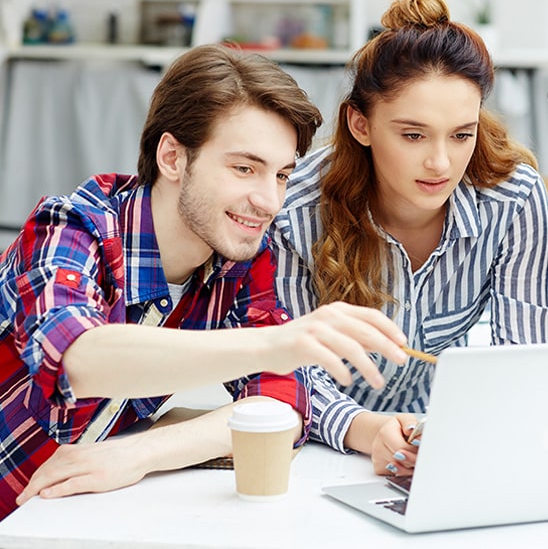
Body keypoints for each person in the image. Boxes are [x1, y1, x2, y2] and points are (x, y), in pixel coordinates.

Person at [0, 44, 409, 520]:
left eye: (281, 175)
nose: (269, 201)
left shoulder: (237, 258)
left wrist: (139, 454)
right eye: (244, 168)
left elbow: (283, 401)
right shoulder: (71, 227)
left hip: (54, 518)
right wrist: (275, 344)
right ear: (173, 157)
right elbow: (78, 359)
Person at [271, 0, 548, 477]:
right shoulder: (295, 209)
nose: (440, 163)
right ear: (361, 124)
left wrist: (462, 434)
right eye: (413, 135)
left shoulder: (514, 198)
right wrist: (368, 430)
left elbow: (520, 363)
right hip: (315, 448)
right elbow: (287, 370)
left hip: (436, 445)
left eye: (461, 134)